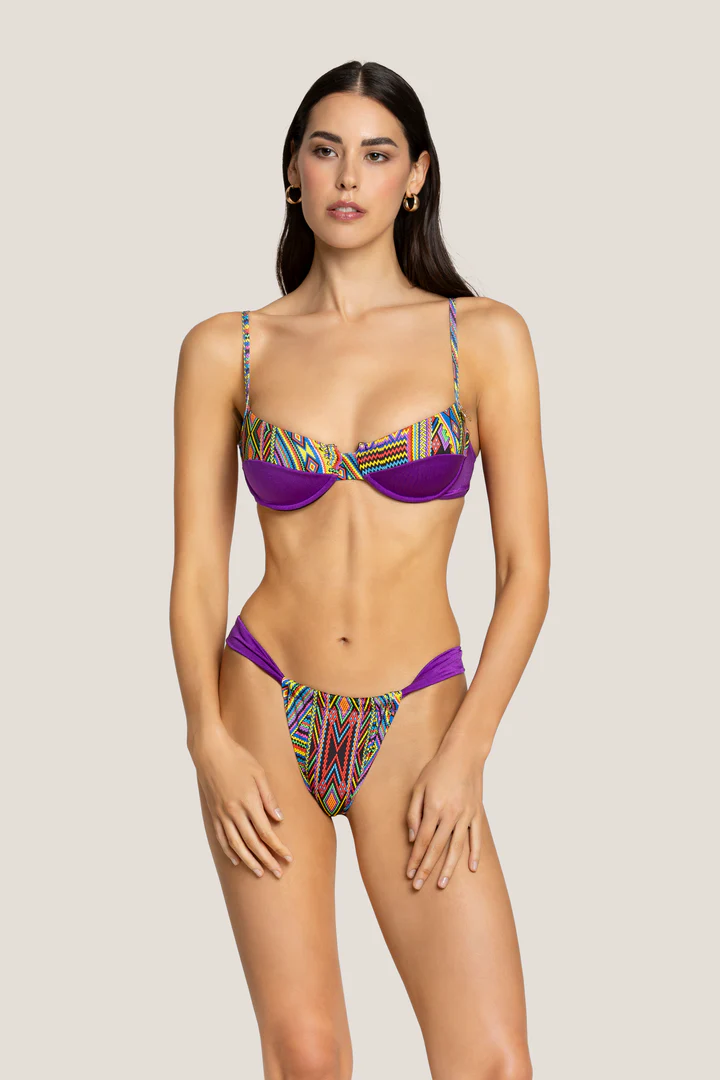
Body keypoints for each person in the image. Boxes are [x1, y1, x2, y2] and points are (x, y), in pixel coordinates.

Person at [170, 59, 549, 1080]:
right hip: (263, 700)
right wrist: (206, 739)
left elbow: (527, 572)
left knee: (490, 1063)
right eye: (325, 150)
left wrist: (468, 751)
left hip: (418, 719)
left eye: (377, 154)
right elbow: (198, 570)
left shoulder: (484, 338)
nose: (348, 176)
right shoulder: (227, 349)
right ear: (292, 171)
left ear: (415, 176)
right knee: (306, 1056)